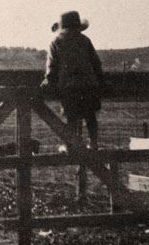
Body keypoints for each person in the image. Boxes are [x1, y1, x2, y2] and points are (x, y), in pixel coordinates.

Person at [40, 11, 105, 151]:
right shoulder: (85, 40)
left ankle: (71, 145)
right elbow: (96, 63)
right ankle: (93, 143)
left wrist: (47, 82)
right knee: (90, 116)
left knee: (71, 117)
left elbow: (52, 68)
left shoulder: (56, 42)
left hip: (69, 86)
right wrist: (100, 81)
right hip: (89, 84)